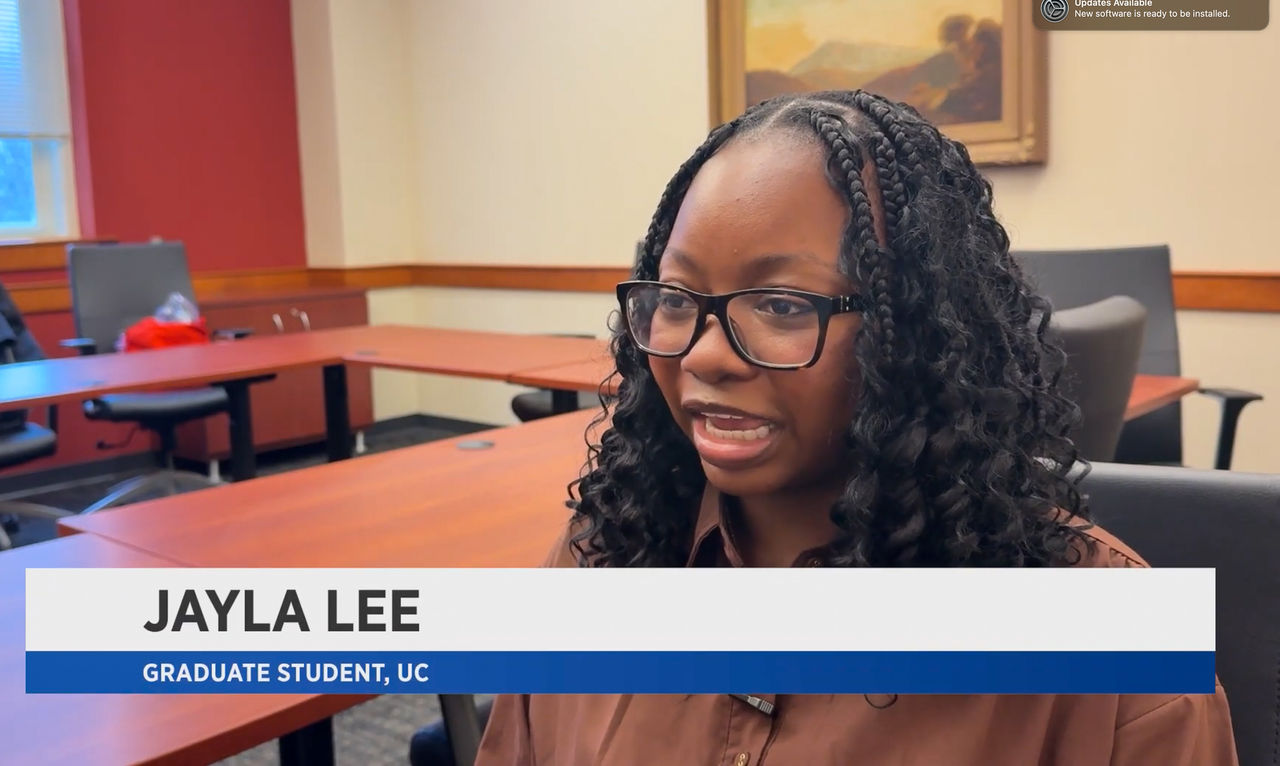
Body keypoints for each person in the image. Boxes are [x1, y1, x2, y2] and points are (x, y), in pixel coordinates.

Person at [472, 90, 1237, 765]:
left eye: (780, 305)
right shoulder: (594, 567)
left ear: (915, 335)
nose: (705, 354)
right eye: (676, 297)